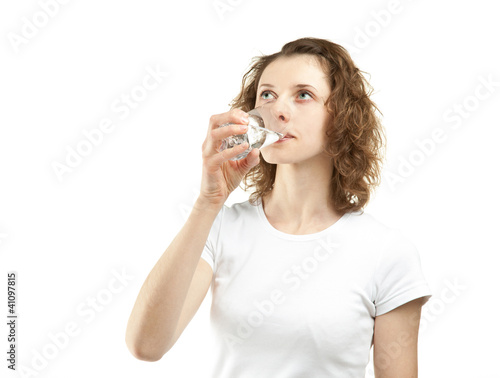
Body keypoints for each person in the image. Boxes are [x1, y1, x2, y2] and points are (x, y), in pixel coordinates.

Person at [125, 37, 433, 377]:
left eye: (303, 94)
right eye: (267, 95)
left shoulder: (387, 252)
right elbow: (146, 346)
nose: (277, 111)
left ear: (342, 117)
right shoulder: (221, 228)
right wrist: (208, 202)